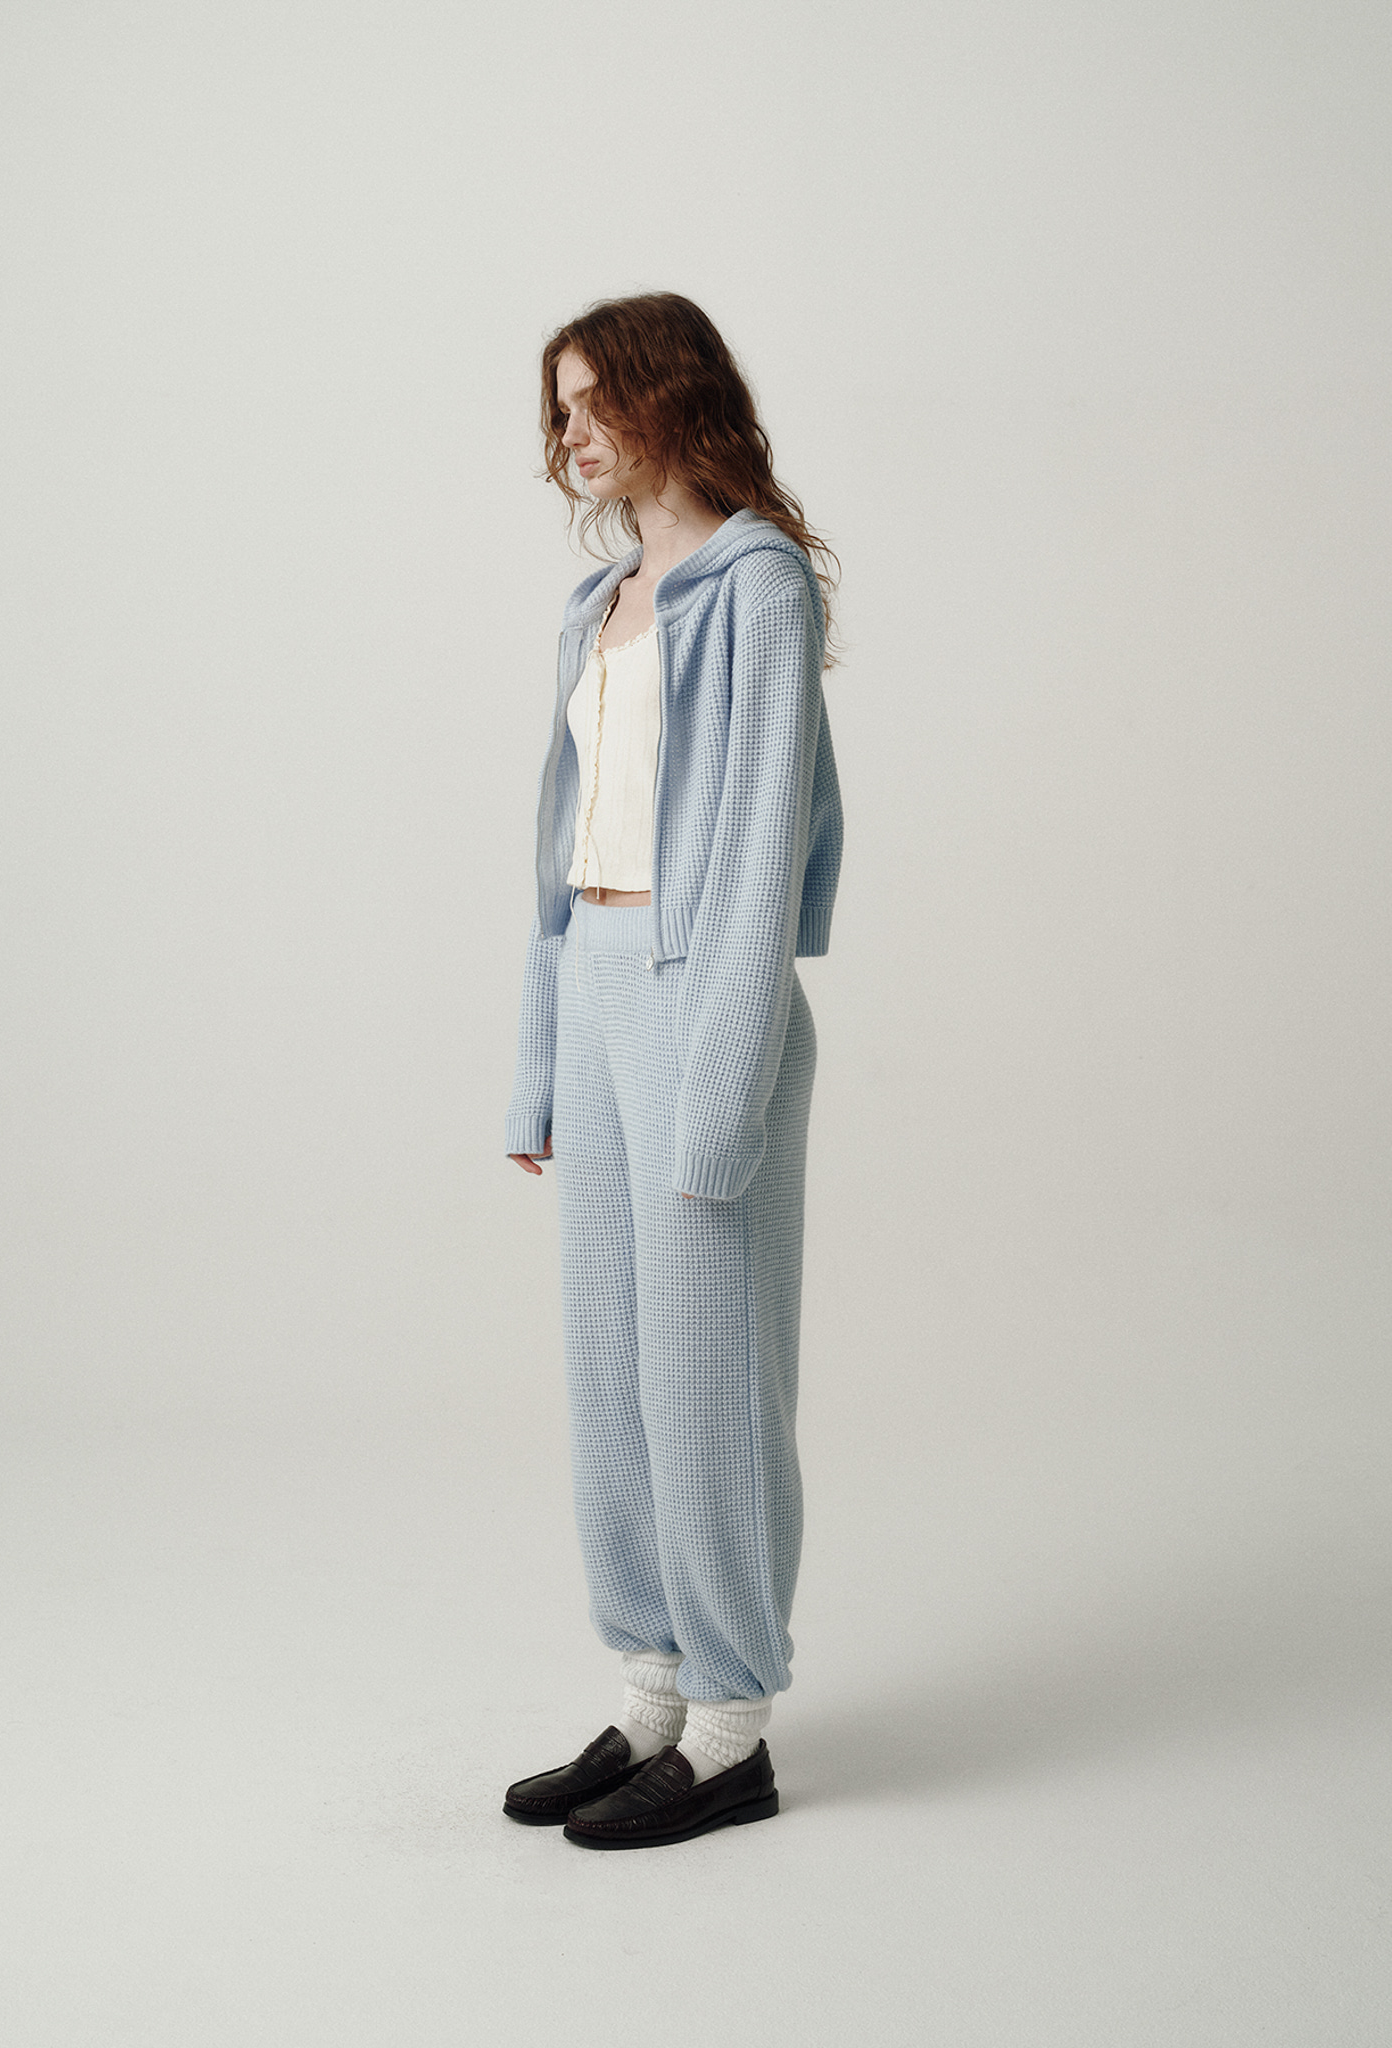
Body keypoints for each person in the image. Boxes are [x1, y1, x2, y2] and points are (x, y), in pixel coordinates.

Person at [501, 293, 842, 1849]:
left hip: (704, 1001)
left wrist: (724, 1080)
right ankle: (650, 1690)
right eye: (558, 407)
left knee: (707, 1380)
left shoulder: (756, 584)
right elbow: (560, 852)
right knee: (611, 1370)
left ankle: (731, 1726)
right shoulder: (599, 603)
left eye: (595, 401)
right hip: (596, 986)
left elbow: (762, 847)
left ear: (670, 395)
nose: (570, 432)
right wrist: (539, 1065)